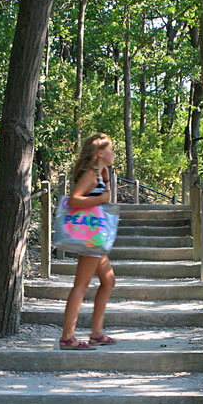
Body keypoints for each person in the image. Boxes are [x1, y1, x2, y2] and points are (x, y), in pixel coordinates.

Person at [58, 133, 117, 350]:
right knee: (81, 286)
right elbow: (74, 199)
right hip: (91, 238)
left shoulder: (99, 173)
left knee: (109, 281)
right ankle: (67, 337)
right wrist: (100, 198)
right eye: (111, 149)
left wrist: (107, 176)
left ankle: (96, 333)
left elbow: (107, 197)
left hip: (96, 237)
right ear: (100, 152)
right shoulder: (91, 174)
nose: (113, 154)